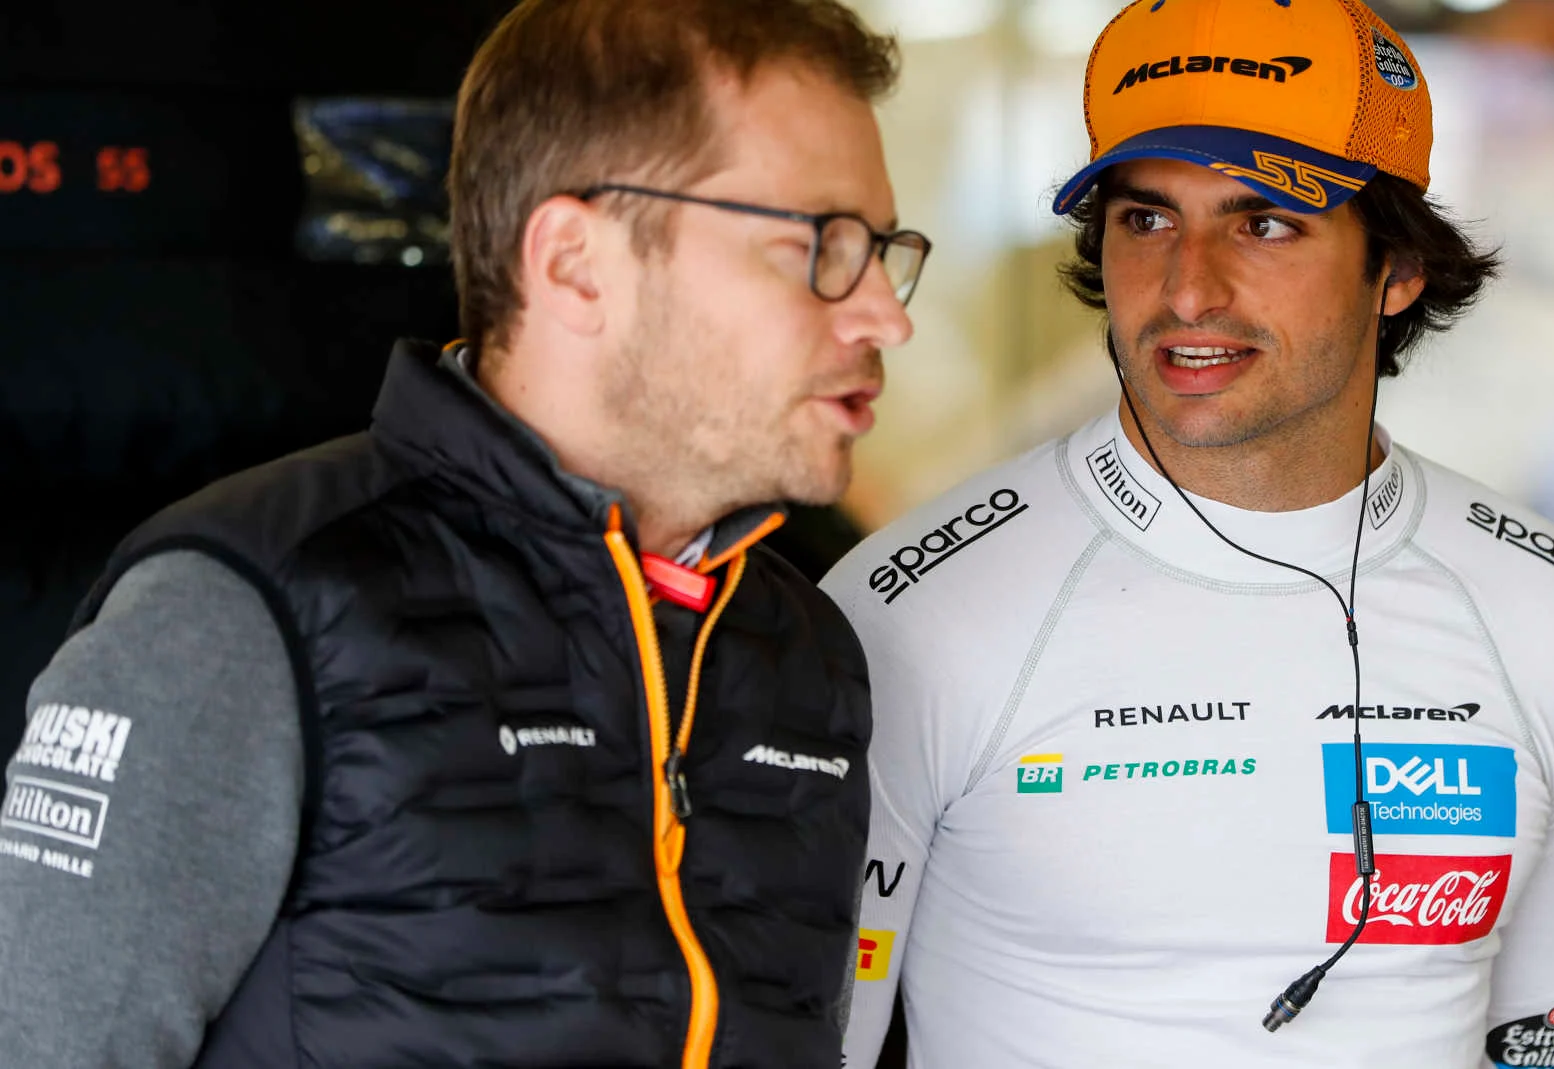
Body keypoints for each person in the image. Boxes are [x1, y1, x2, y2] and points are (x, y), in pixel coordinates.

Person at [0, 1, 926, 1065]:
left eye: (886, 251)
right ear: (576, 262)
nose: (884, 316)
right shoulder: (243, 614)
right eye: (818, 246)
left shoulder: (809, 658)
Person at [822, 0, 1554, 1065]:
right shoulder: (906, 609)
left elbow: (1539, 1041)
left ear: (1396, 269)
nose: (1187, 288)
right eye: (1145, 219)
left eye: (1263, 223)